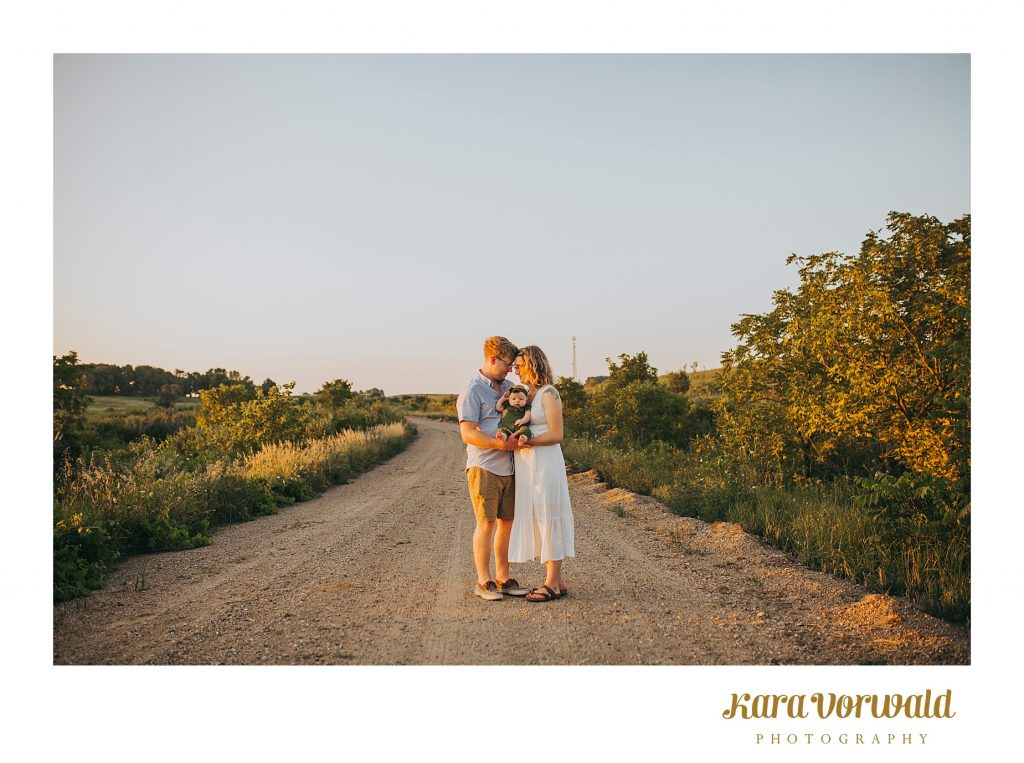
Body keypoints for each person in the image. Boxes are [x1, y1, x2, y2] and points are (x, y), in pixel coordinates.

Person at [456, 336, 532, 601]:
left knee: (507, 523)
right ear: (492, 359)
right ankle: (483, 580)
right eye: (507, 364)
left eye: (512, 365)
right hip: (484, 466)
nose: (510, 369)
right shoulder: (472, 390)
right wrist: (501, 446)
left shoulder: (511, 387)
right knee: (486, 524)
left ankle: (503, 578)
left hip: (510, 467)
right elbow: (468, 433)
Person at [507, 345, 575, 602]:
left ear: (533, 363)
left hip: (546, 464)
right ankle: (558, 580)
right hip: (529, 466)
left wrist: (529, 441)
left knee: (549, 516)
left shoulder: (549, 393)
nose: (515, 368)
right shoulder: (527, 394)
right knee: (539, 517)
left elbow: (557, 434)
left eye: (519, 364)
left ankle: (551, 585)